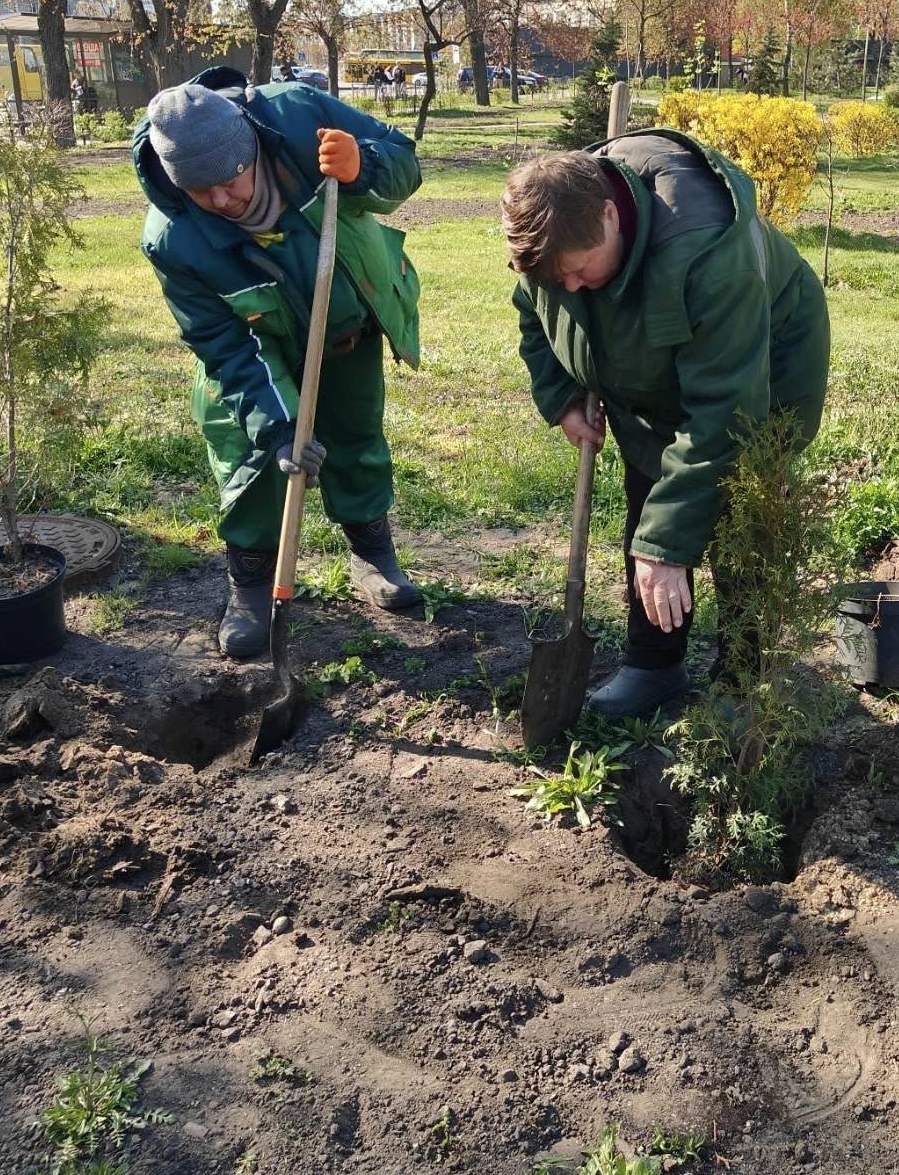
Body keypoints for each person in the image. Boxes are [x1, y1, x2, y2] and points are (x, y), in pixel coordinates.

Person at [500, 126, 830, 721]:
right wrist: (563, 397)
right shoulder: (555, 245)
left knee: (738, 505)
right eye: (559, 279)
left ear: (610, 216)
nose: (569, 287)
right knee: (646, 491)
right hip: (650, 358)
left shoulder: (708, 255)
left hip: (761, 360)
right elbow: (535, 312)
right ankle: (654, 664)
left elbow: (725, 414)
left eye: (578, 271)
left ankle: (743, 679)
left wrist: (669, 546)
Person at [133, 64, 425, 657]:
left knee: (355, 434)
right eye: (200, 191)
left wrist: (362, 166)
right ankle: (250, 583)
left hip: (343, 315)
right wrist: (283, 426)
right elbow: (223, 344)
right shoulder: (173, 238)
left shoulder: (298, 117)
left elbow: (405, 165)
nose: (221, 199)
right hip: (252, 340)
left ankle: (371, 552)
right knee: (251, 455)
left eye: (232, 179)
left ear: (252, 149)